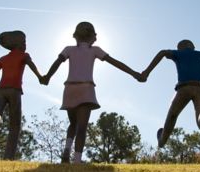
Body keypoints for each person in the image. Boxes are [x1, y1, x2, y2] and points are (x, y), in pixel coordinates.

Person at [41, 21, 143, 164]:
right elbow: (115, 62)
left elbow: (57, 63)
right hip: (86, 89)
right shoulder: (95, 50)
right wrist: (134, 73)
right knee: (82, 127)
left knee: (73, 123)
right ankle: (77, 159)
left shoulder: (69, 49)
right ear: (92, 36)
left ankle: (66, 150)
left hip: (70, 88)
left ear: (75, 35)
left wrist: (47, 77)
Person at [0, 30, 42, 160]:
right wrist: (40, 77)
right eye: (24, 41)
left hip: (1, 91)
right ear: (19, 43)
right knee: (14, 126)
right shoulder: (24, 55)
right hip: (14, 91)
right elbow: (32, 66)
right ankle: (8, 157)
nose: (26, 44)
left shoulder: (3, 59)